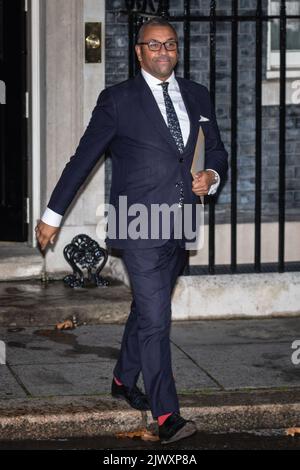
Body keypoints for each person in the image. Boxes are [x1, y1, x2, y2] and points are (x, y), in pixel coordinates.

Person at [35, 17, 228, 444]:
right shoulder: (117, 100)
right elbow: (83, 159)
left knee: (146, 309)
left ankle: (123, 379)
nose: (164, 52)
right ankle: (167, 416)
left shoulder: (197, 95)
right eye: (154, 46)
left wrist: (212, 174)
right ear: (138, 51)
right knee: (158, 318)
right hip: (136, 223)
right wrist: (52, 215)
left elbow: (216, 148)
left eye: (171, 45)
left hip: (180, 222)